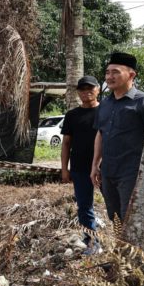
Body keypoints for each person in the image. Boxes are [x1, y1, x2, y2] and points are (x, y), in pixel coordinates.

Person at [90, 51, 144, 228]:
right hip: (108, 172)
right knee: (114, 217)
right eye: (107, 72)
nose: (109, 77)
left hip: (133, 173)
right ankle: (120, 251)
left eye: (115, 72)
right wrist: (95, 165)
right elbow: (100, 134)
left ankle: (132, 254)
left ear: (131, 74)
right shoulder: (105, 104)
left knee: (130, 218)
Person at [60, 75, 101, 254]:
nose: (86, 92)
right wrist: (64, 169)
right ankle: (92, 241)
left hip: (105, 167)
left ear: (98, 89)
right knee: (84, 206)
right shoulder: (72, 115)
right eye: (82, 89)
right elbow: (66, 143)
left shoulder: (106, 110)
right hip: (80, 167)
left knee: (115, 206)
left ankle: (121, 241)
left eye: (90, 89)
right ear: (78, 92)